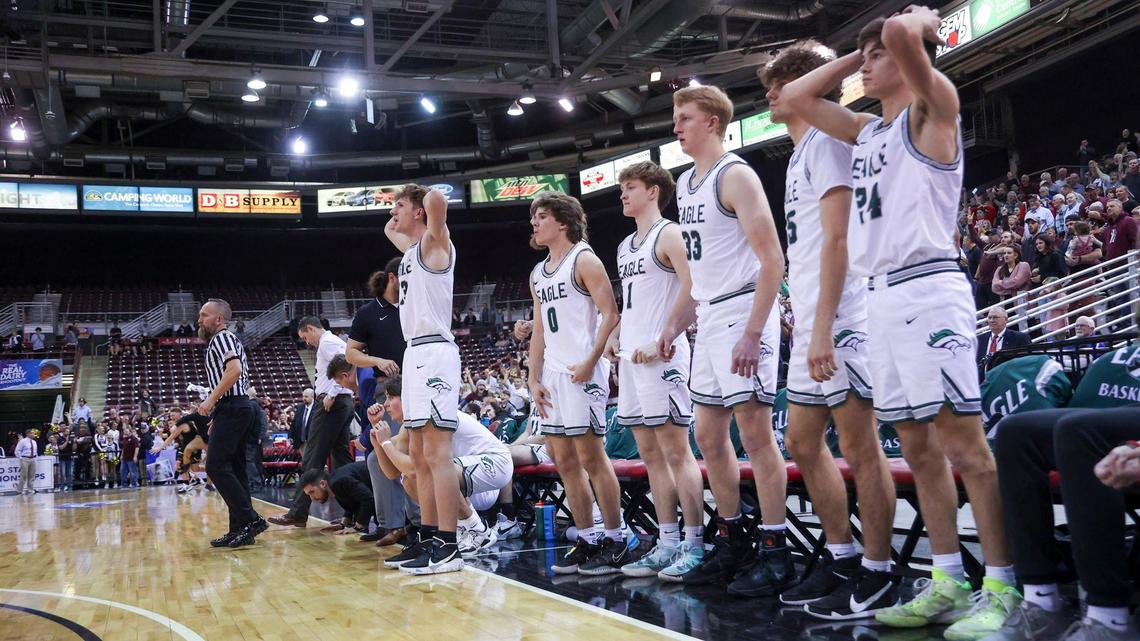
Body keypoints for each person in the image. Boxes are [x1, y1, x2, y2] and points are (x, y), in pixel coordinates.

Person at [782, 8, 1018, 638]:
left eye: (876, 57)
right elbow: (798, 95)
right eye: (862, 58)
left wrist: (914, 22)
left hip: (929, 288)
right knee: (914, 446)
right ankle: (946, 579)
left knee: (964, 444)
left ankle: (1002, 585)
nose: (867, 64)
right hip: (879, 294)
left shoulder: (933, 108)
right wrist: (853, 58)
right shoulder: (864, 131)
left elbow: (899, 36)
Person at [761, 41, 898, 618]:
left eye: (778, 86)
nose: (770, 97)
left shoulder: (829, 145)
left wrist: (820, 328)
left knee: (861, 446)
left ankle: (879, 569)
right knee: (800, 440)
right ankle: (841, 556)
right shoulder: (799, 154)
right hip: (817, 312)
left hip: (842, 315)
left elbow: (840, 240)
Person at [656, 83, 790, 592]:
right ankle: (734, 541)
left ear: (712, 121)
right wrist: (673, 323)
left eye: (685, 118)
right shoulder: (687, 184)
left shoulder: (735, 176)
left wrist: (755, 330)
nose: (677, 126)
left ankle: (776, 551)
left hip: (742, 310)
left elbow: (772, 260)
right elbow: (697, 275)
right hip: (708, 314)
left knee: (754, 435)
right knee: (708, 437)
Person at [602, 160, 706, 582]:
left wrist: (664, 335)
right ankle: (666, 543)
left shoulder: (670, 233)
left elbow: (695, 285)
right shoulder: (626, 246)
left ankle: (696, 545)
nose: (623, 194)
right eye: (622, 188)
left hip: (663, 356)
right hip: (632, 358)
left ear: (653, 191)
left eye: (630, 187)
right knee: (650, 456)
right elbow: (631, 302)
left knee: (677, 453)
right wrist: (616, 333)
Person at [525, 190, 625, 576]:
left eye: (542, 216)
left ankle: (616, 539)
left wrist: (592, 359)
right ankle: (587, 538)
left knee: (591, 459)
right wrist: (533, 379)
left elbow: (610, 313)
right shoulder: (538, 272)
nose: (534, 222)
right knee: (564, 462)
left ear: (563, 222)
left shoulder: (584, 258)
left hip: (583, 369)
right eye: (534, 216)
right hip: (552, 374)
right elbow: (537, 332)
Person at [379, 184, 465, 575]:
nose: (392, 211)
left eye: (400, 206)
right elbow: (388, 230)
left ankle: (449, 543)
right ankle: (428, 536)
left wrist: (415, 193)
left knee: (436, 452)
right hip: (413, 352)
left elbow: (437, 203)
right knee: (417, 454)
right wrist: (397, 205)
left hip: (435, 351)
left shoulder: (434, 244)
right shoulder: (411, 252)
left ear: (417, 212)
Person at [370, 375, 512, 566]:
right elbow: (393, 473)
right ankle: (461, 528)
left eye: (390, 397)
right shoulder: (409, 425)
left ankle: (479, 531)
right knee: (411, 480)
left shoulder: (430, 415)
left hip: (495, 465)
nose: (385, 404)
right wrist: (378, 441)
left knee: (432, 472)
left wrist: (386, 442)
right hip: (468, 481)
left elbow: (413, 467)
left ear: (407, 398)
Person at [344, 260, 412, 544]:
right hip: (391, 390)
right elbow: (351, 354)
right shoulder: (368, 312)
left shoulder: (415, 305)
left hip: (419, 385)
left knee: (410, 455)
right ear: (393, 277)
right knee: (378, 458)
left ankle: (420, 523)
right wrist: (377, 360)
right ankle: (392, 525)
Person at [268, 317, 355, 528]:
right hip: (343, 403)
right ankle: (353, 514)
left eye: (305, 337)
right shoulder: (331, 341)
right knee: (342, 462)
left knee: (311, 459)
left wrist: (332, 393)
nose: (306, 342)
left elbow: (346, 364)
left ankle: (298, 513)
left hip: (331, 404)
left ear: (310, 328)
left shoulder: (327, 342)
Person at [197, 298, 267, 548]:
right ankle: (239, 529)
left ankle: (251, 519)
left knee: (215, 466)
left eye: (204, 315)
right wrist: (217, 413)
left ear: (218, 319)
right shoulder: (220, 340)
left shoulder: (223, 337)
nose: (199, 319)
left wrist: (210, 401)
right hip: (234, 407)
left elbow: (234, 370)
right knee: (235, 469)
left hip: (235, 406)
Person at [298, 462, 375, 534]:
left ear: (322, 484)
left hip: (384, 480)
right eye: (308, 494)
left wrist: (357, 528)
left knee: (380, 524)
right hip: (377, 483)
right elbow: (353, 505)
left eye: (312, 492)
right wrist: (342, 525)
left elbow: (369, 500)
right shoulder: (333, 484)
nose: (312, 498)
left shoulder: (339, 482)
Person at [153, 406, 210, 492]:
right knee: (179, 465)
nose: (171, 417)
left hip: (193, 447)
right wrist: (160, 431)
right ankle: (187, 484)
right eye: (170, 416)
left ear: (179, 414)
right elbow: (163, 431)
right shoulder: (177, 424)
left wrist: (161, 447)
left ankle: (210, 471)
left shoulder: (183, 424)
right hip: (184, 447)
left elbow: (172, 437)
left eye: (173, 415)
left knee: (195, 468)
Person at [289, 389, 315, 454]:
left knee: (312, 462)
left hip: (313, 441)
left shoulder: (317, 407)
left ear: (312, 397)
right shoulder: (300, 407)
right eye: (303, 396)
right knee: (305, 462)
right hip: (301, 441)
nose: (304, 398)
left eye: (306, 397)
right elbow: (294, 423)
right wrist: (290, 436)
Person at [14, 429, 38, 494]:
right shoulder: (22, 441)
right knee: (23, 475)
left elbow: (35, 451)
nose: (34, 434)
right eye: (32, 433)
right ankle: (19, 490)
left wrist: (35, 458)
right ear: (28, 434)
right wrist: (21, 458)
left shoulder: (34, 442)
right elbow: (17, 451)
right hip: (25, 459)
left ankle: (30, 490)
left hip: (33, 459)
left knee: (32, 475)